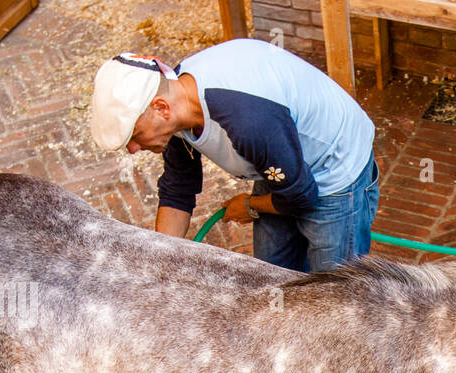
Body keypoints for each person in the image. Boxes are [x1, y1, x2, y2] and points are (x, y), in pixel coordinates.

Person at [89, 40, 379, 272]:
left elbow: (302, 197)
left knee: (333, 300)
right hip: (281, 160)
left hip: (334, 170)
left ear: (161, 108)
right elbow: (179, 187)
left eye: (134, 136)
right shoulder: (176, 100)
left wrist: (250, 205)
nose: (133, 149)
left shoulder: (246, 120)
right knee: (270, 278)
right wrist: (158, 260)